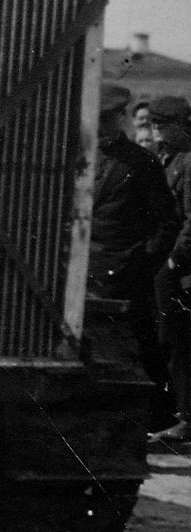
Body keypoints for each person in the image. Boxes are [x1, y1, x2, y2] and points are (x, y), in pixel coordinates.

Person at [89, 84, 181, 429]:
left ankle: (155, 419)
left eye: (106, 118)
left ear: (120, 118)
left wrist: (141, 263)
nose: (100, 125)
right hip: (84, 273)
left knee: (139, 347)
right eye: (95, 118)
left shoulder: (142, 163)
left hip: (126, 274)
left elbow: (167, 224)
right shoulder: (78, 157)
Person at [148, 95, 191, 442]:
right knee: (165, 339)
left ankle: (186, 418)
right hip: (162, 262)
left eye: (164, 127)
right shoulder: (168, 158)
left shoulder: (189, 162)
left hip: (179, 268)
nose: (158, 133)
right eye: (155, 126)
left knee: (178, 342)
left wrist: (175, 259)